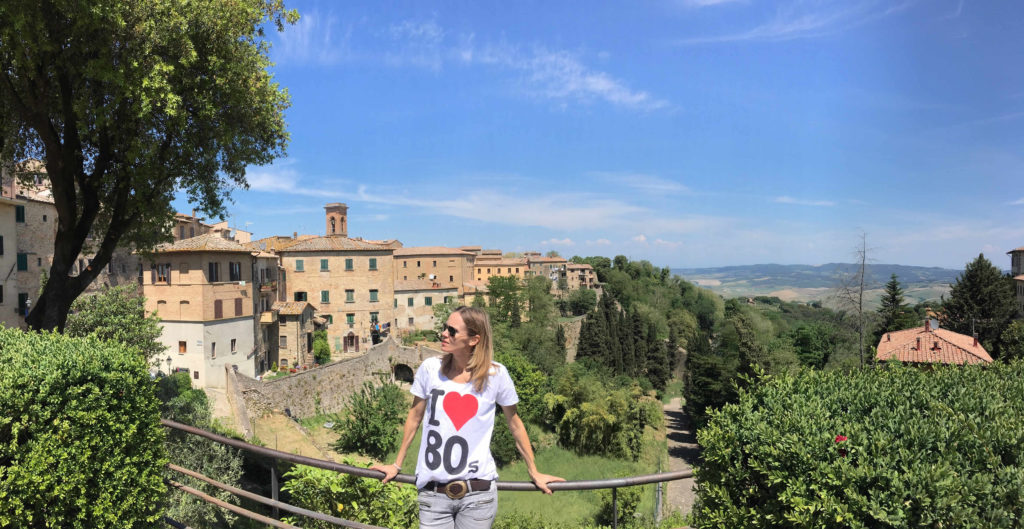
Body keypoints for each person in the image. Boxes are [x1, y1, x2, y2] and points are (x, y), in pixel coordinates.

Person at [372, 306, 563, 528]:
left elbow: (515, 424)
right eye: (445, 328)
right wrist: (396, 465)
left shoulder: (496, 375)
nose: (444, 333)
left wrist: (534, 471)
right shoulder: (430, 369)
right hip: (433, 494)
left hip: (478, 495)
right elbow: (415, 417)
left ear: (474, 339)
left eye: (452, 331)